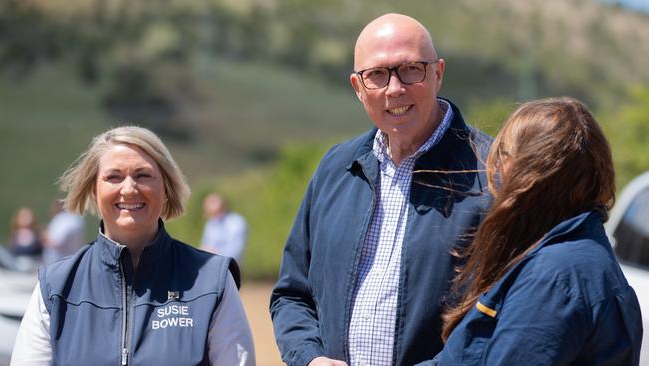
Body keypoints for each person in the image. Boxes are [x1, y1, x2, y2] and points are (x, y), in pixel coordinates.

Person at [270, 13, 492, 366]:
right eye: (377, 74)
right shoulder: (335, 169)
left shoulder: (492, 174)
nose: (394, 88)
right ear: (359, 88)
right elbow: (292, 295)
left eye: (410, 69)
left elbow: (511, 315)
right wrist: (309, 358)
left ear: (438, 73)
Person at [11, 126, 255, 366]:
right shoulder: (54, 287)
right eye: (113, 177)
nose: (129, 189)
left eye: (143, 175)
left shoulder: (214, 281)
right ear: (94, 190)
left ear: (166, 189)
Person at [432, 97, 643, 365]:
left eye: (505, 155)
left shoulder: (555, 276)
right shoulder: (568, 257)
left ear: (528, 176)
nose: (495, 170)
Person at [200, 193, 248, 262]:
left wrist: (214, 253)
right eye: (210, 213)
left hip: (230, 267)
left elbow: (235, 252)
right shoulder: (210, 224)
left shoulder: (237, 222)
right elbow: (204, 247)